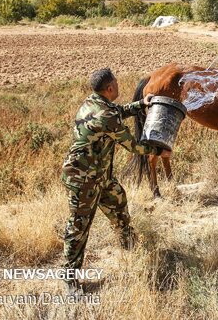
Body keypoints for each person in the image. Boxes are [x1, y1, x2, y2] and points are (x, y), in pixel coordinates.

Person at [60, 68, 169, 294]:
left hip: (101, 176)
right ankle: (69, 279)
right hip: (83, 180)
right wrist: (159, 149)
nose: (119, 86)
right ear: (110, 88)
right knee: (79, 228)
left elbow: (118, 111)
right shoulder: (105, 115)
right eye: (117, 83)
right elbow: (133, 146)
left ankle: (128, 244)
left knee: (118, 202)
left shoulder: (95, 102)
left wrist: (140, 104)